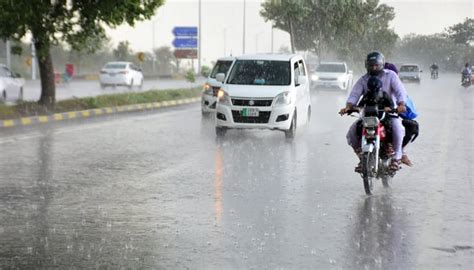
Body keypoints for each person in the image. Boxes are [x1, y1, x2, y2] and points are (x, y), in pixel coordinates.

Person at [339, 51, 407, 172]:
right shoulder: (364, 79)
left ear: (381, 64)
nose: (374, 68)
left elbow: (400, 91)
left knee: (397, 128)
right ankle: (362, 158)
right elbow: (354, 95)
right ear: (367, 65)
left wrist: (401, 104)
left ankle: (396, 158)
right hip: (369, 115)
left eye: (376, 65)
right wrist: (349, 106)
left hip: (388, 114)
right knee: (352, 132)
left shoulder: (390, 75)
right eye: (371, 65)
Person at [384, 61, 417, 167]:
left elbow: (407, 107)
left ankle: (400, 152)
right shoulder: (372, 84)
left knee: (409, 125)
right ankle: (401, 153)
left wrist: (400, 108)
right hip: (378, 116)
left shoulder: (399, 89)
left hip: (392, 116)